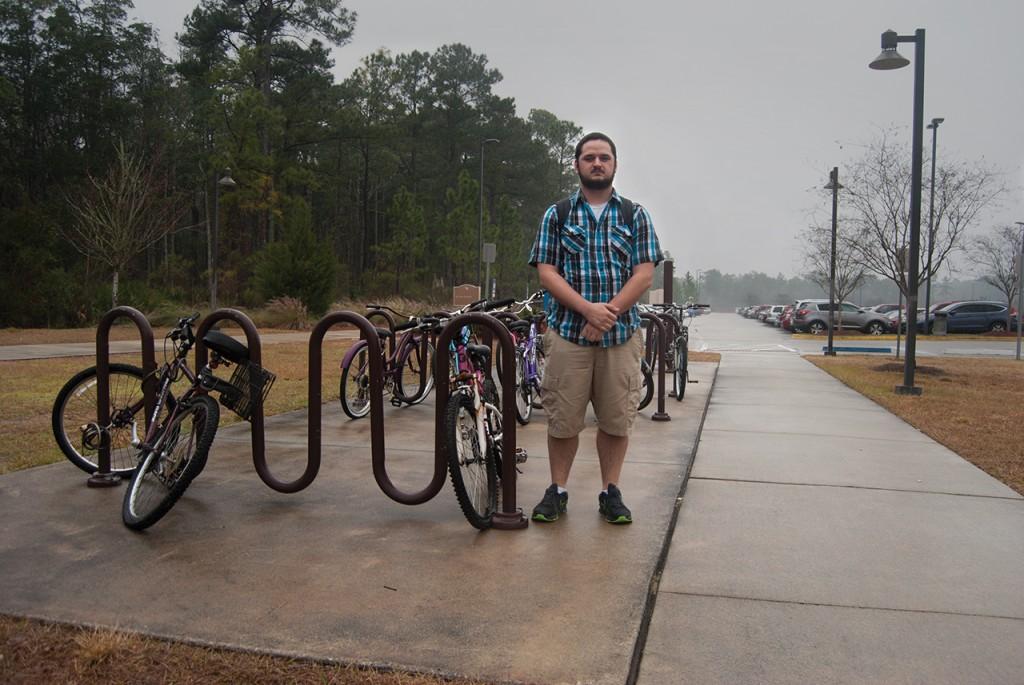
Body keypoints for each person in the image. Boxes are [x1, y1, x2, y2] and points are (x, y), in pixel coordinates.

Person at [527, 132, 663, 524]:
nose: (597, 163)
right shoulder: (559, 214)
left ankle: (611, 492)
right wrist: (588, 310)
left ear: (615, 164)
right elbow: (546, 272)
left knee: (616, 420)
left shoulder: (634, 215)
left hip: (620, 339)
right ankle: (558, 490)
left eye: (604, 157)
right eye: (590, 157)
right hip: (568, 335)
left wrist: (609, 314)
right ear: (577, 165)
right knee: (563, 420)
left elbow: (644, 274)